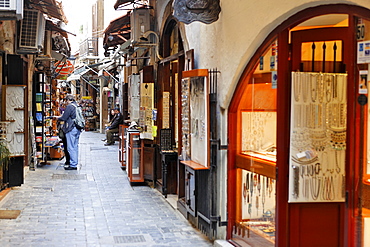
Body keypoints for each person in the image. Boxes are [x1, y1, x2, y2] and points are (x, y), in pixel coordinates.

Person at [55, 94, 82, 170]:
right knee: (75, 146)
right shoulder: (76, 105)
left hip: (71, 128)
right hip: (77, 128)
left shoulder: (70, 107)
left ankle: (73, 164)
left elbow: (64, 117)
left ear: (67, 100)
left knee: (71, 147)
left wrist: (57, 118)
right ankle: (75, 162)